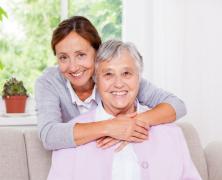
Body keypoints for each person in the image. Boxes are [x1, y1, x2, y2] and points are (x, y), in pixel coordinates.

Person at [47, 40, 201, 180]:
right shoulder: (73, 137)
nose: (118, 84)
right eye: (108, 74)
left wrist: (131, 124)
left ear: (139, 77)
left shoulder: (170, 133)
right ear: (95, 79)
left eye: (126, 73)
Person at [35, 16, 187, 151]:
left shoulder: (114, 79)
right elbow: (49, 135)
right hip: (79, 159)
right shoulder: (49, 82)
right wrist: (110, 127)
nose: (73, 67)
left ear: (97, 54)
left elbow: (177, 105)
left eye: (81, 55)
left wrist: (130, 124)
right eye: (63, 58)